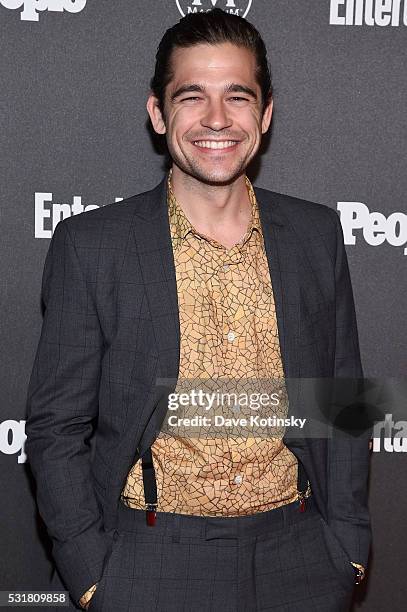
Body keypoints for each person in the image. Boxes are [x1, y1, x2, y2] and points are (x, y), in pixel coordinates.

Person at [25, 8, 371, 612]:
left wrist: (347, 546)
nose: (217, 119)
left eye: (238, 97)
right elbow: (57, 428)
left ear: (264, 114)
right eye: (192, 97)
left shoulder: (316, 235)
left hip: (303, 558)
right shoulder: (94, 245)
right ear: (159, 113)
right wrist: (91, 572)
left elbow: (342, 405)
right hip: (148, 562)